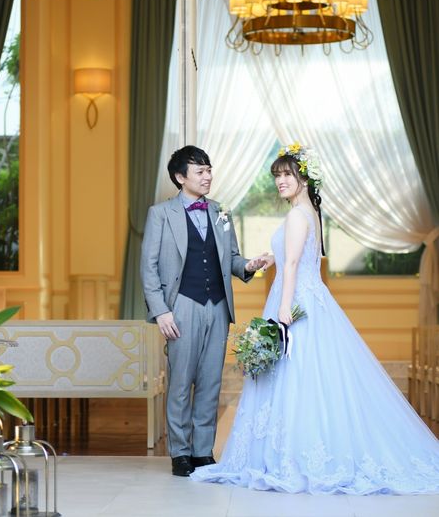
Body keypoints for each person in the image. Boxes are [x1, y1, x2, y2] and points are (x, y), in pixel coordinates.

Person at [191, 142, 439, 494]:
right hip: (310, 299)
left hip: (294, 301)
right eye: (276, 176)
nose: (280, 181)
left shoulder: (296, 215)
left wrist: (283, 308)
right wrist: (271, 258)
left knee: (294, 375)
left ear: (304, 179)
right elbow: (296, 255)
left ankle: (290, 458)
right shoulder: (309, 212)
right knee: (311, 379)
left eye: (286, 175)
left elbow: (294, 263)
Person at [140, 145, 273, 477]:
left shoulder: (221, 211)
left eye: (209, 170)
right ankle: (180, 452)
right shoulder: (160, 214)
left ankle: (203, 451)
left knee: (211, 382)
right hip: (180, 306)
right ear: (180, 177)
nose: (207, 176)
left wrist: (250, 266)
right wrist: (161, 311)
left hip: (218, 306)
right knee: (180, 383)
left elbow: (232, 259)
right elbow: (148, 267)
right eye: (200, 171)